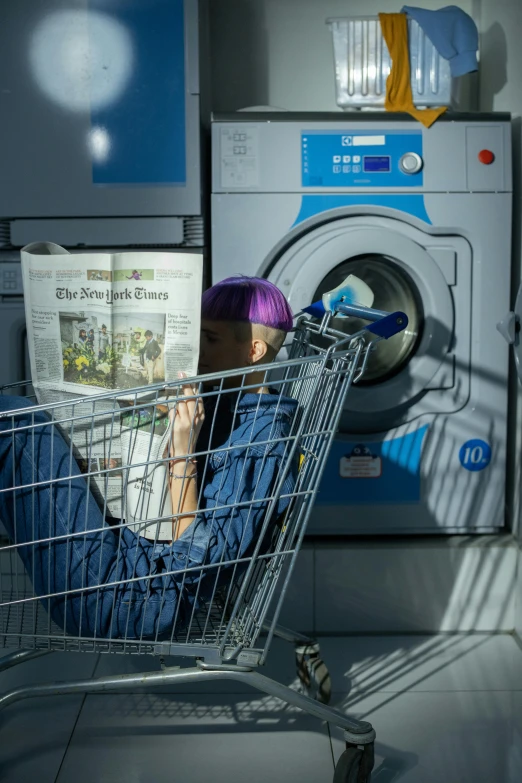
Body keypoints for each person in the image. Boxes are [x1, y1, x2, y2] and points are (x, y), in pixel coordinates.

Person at [0, 277, 297, 640]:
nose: (196, 348)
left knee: (17, 425)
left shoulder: (262, 440)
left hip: (132, 595)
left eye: (210, 338)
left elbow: (201, 565)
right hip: (125, 554)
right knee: (25, 421)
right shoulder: (223, 400)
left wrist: (182, 452)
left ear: (253, 351)